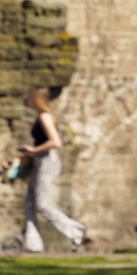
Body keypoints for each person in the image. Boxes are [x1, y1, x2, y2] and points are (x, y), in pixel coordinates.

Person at [19, 86, 86, 254]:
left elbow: (55, 142)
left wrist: (33, 151)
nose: (26, 99)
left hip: (48, 162)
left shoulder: (45, 117)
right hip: (40, 161)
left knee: (40, 204)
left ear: (36, 98)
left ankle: (75, 230)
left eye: (29, 96)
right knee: (29, 204)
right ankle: (33, 244)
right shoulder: (41, 116)